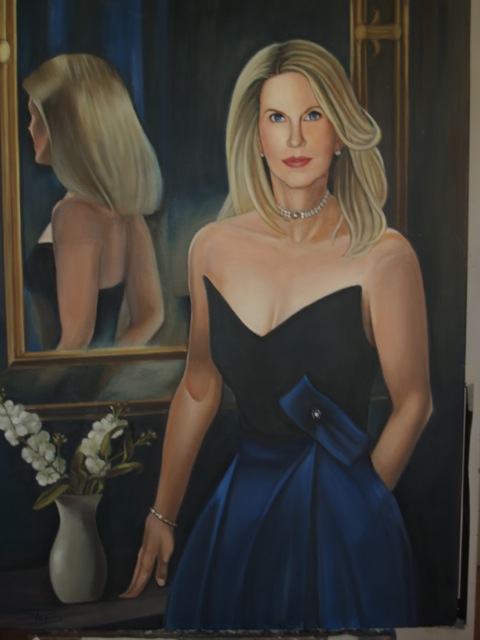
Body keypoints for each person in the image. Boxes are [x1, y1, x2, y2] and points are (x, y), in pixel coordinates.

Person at [121, 40, 432, 631]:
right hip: (241, 512)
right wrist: (162, 513)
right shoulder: (211, 247)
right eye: (277, 118)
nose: (294, 138)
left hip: (348, 522)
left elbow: (414, 401)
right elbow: (199, 387)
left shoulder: (386, 256)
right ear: (256, 135)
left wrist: (363, 508)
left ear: (339, 132)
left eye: (313, 115)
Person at [23, 54, 164, 350]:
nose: (29, 127)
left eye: (36, 117)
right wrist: (108, 368)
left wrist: (35, 377)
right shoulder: (128, 217)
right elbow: (150, 317)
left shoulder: (73, 213)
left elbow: (76, 340)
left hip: (63, 375)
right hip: (91, 375)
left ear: (67, 129)